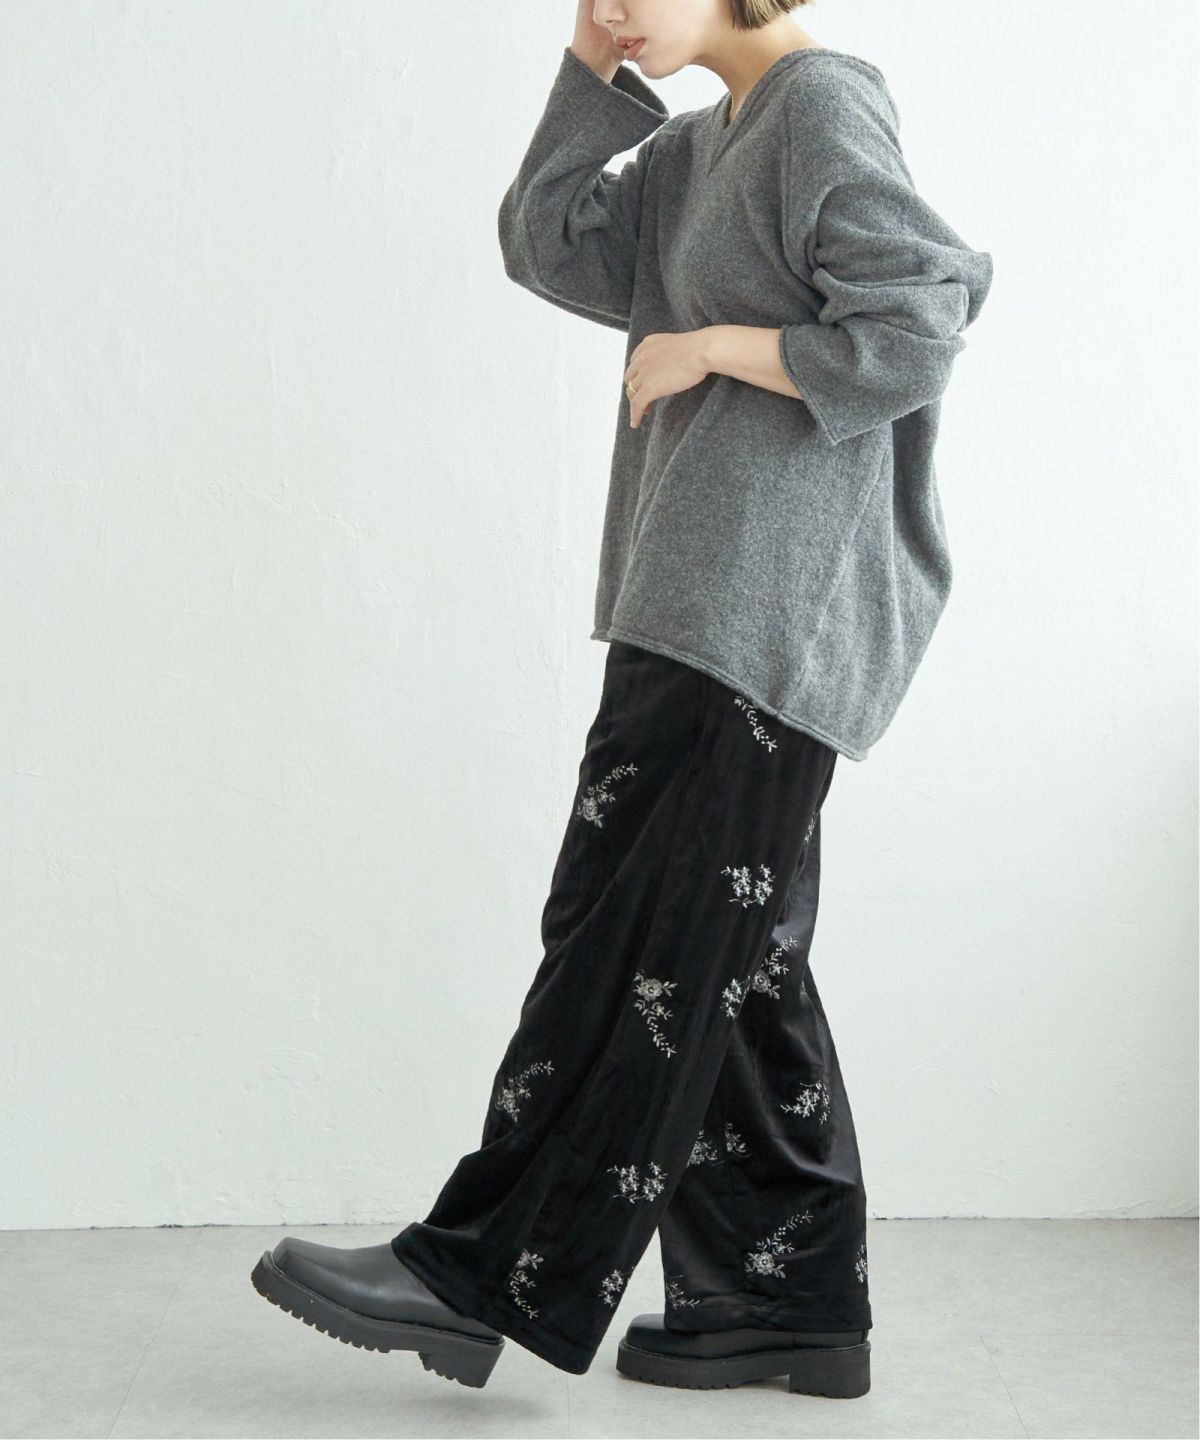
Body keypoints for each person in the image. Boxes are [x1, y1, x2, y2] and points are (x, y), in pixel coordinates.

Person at [251, 0, 993, 1397]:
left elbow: (919, 318)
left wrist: (719, 347)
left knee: (630, 945)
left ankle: (478, 1273)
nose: (604, 4)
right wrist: (591, 73)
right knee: (725, 963)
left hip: (765, 611)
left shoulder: (820, 105)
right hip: (691, 597)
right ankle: (785, 1298)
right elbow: (548, 242)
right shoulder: (701, 146)